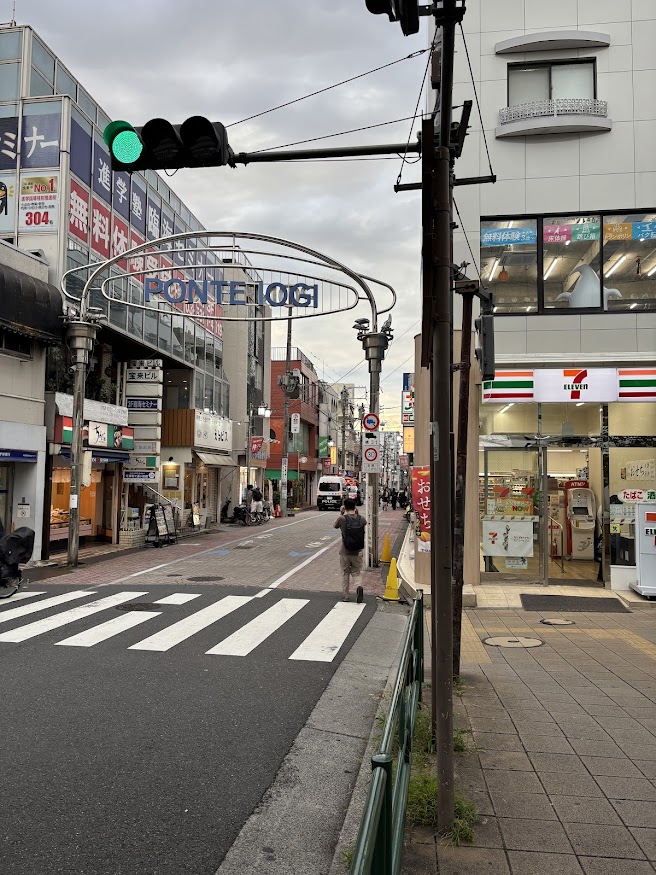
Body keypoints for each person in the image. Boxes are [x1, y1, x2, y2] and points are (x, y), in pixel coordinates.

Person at [334, 498, 366, 602]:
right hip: (357, 551)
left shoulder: (342, 519)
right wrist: (357, 513)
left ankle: (346, 596)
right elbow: (363, 523)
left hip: (345, 551)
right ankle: (358, 586)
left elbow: (335, 526)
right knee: (356, 572)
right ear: (355, 507)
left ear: (345, 507)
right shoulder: (361, 519)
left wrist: (341, 513)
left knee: (345, 573)